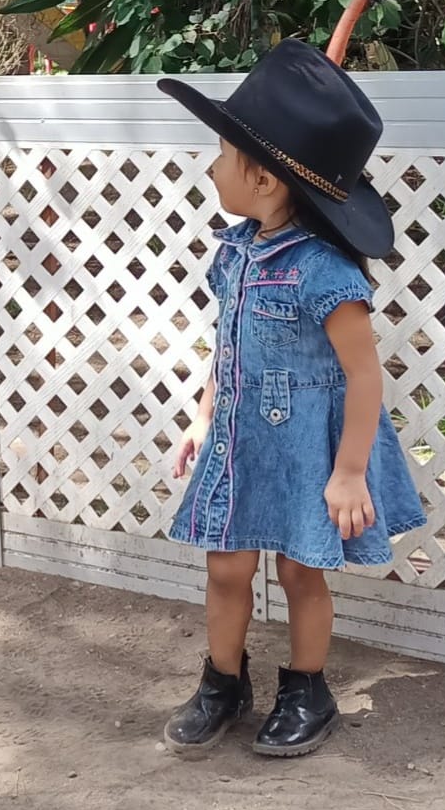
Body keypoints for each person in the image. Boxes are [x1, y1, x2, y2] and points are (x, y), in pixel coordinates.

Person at [156, 39, 426, 758]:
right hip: (239, 443)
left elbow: (364, 377)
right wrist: (203, 415)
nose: (213, 166)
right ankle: (223, 682)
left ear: (266, 179)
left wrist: (349, 472)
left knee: (302, 569)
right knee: (225, 566)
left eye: (222, 154)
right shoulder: (235, 253)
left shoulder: (325, 273)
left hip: (309, 447)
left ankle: (308, 688)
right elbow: (229, 345)